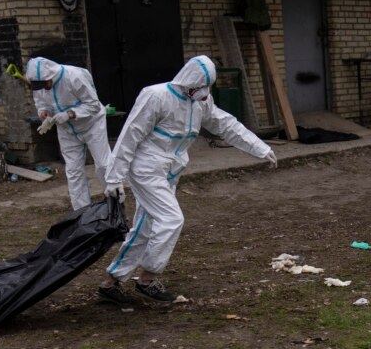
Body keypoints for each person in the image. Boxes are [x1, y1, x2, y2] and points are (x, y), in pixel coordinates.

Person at [99, 56, 275, 305]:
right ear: (187, 81)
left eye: (206, 87)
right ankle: (147, 279)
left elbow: (225, 124)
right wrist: (114, 176)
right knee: (171, 219)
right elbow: (131, 134)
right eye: (198, 87)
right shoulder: (156, 95)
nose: (203, 93)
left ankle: (112, 282)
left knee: (146, 225)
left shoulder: (200, 101)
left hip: (170, 169)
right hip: (147, 168)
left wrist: (259, 147)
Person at [25, 54, 111, 211]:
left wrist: (70, 114)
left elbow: (93, 105)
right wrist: (44, 112)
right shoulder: (41, 84)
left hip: (92, 124)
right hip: (66, 130)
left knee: (103, 165)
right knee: (73, 171)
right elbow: (41, 101)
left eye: (45, 84)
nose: (44, 88)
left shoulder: (74, 77)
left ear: (51, 75)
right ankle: (82, 213)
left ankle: (115, 203)